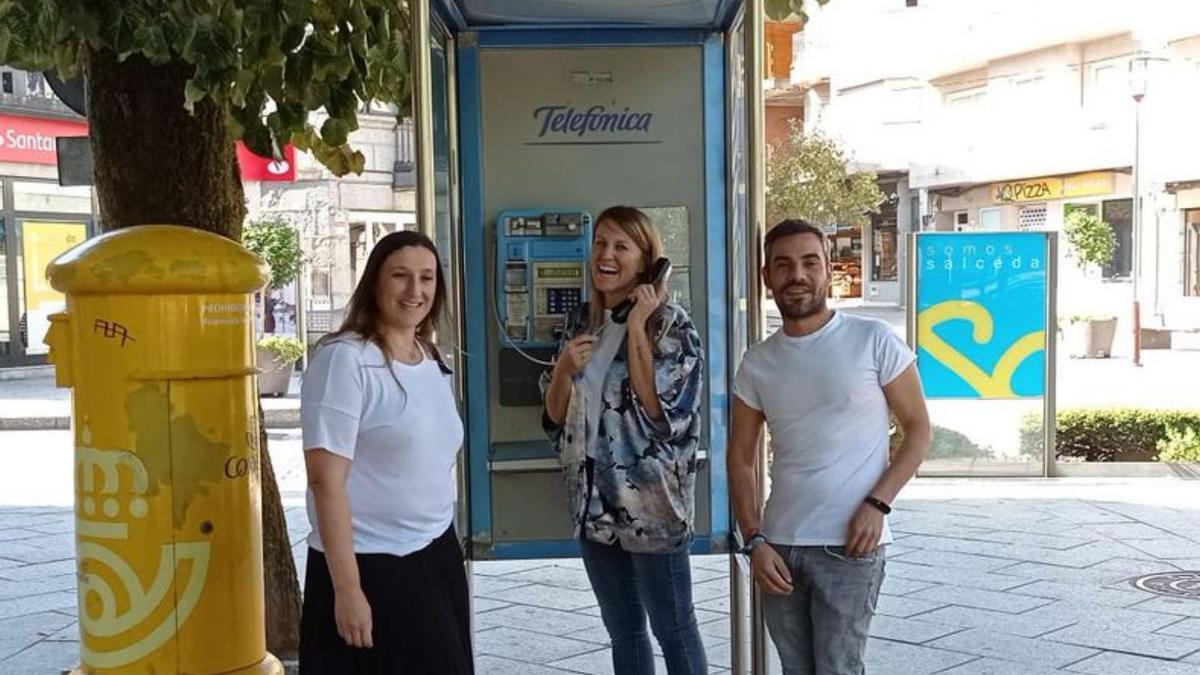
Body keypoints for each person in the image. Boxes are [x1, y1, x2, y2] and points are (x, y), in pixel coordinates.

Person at [728, 219, 930, 675]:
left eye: (808, 262)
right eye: (783, 264)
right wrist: (754, 539)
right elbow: (740, 458)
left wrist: (878, 505)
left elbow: (918, 430)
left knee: (839, 668)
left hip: (850, 545)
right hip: (778, 546)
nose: (796, 274)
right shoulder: (757, 362)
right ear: (767, 277)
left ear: (827, 270)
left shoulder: (873, 339)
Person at [542, 205, 708, 674]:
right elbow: (555, 419)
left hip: (651, 508)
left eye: (621, 246)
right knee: (625, 633)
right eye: (600, 244)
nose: (607, 255)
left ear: (646, 261)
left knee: (674, 631)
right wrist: (562, 370)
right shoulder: (581, 322)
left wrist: (638, 324)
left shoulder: (673, 327)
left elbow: (660, 413)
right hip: (593, 505)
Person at [299, 231, 472, 674]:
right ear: (375, 282)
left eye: (427, 278)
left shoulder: (428, 356)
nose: (416, 291)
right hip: (372, 567)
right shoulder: (345, 361)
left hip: (435, 554)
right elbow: (325, 481)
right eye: (401, 276)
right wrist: (348, 589)